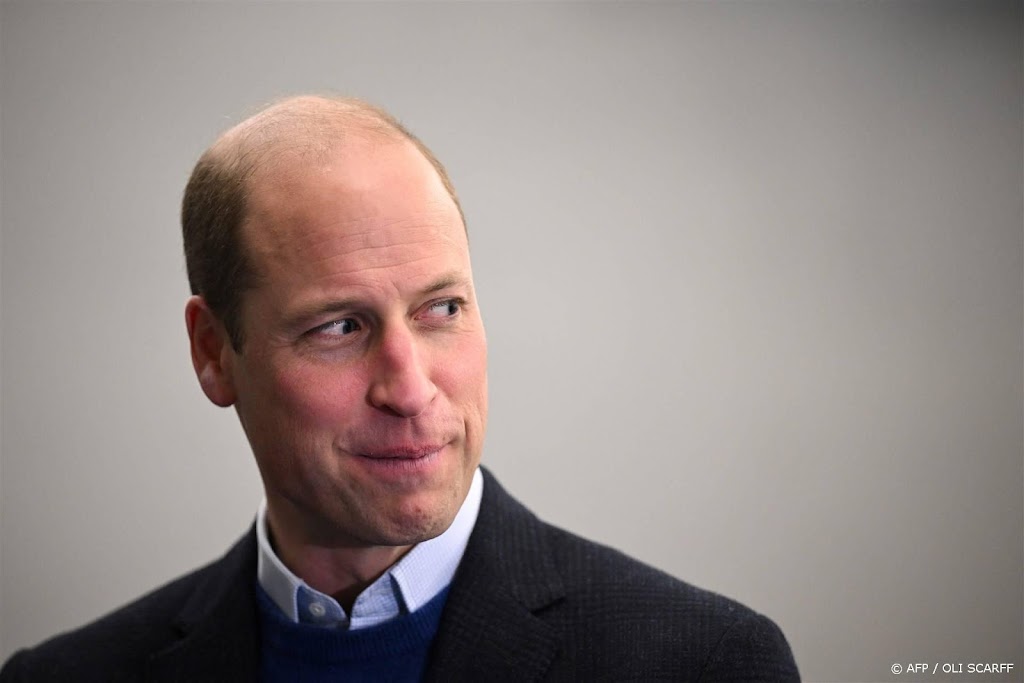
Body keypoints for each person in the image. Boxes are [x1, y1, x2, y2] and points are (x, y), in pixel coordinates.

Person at [0, 95, 800, 682]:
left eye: (441, 309)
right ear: (214, 353)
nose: (411, 389)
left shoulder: (703, 662)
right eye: (339, 327)